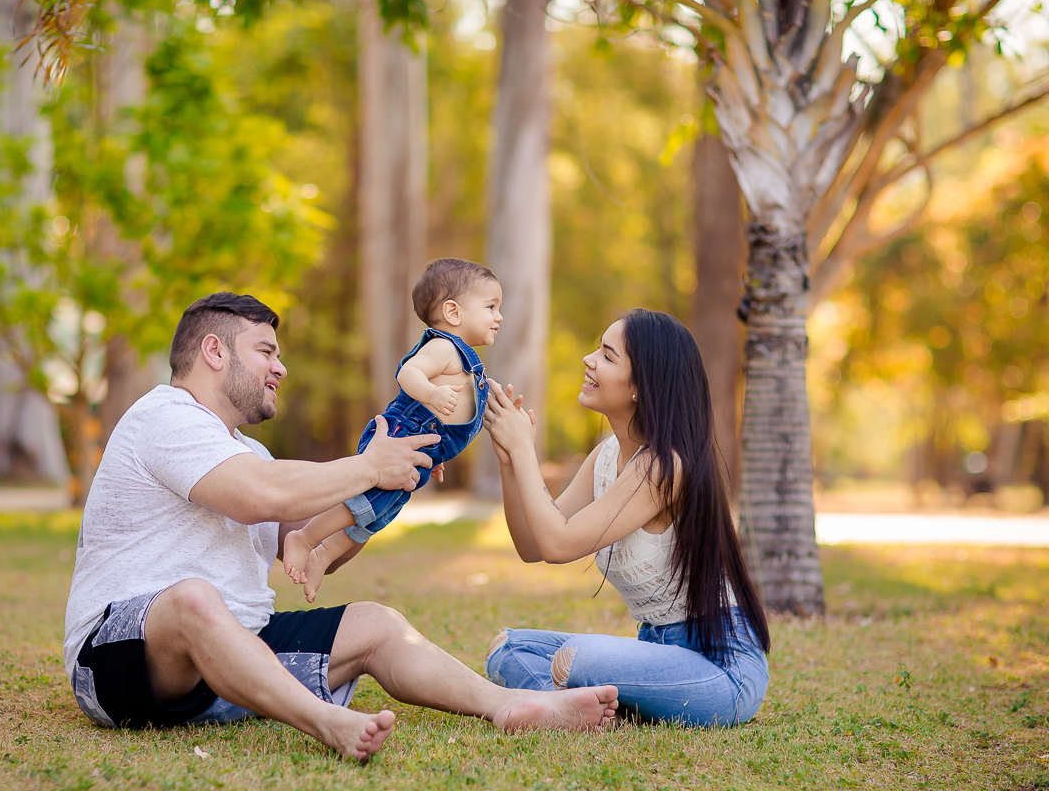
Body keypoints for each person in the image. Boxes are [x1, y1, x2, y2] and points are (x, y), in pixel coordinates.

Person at [62, 292, 618, 764]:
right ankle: (326, 723)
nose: (280, 368)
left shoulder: (247, 449)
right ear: (214, 350)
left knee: (377, 623)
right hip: (119, 663)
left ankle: (509, 705)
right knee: (192, 600)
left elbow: (315, 544)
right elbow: (260, 494)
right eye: (265, 352)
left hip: (231, 661)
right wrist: (368, 465)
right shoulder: (164, 416)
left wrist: (390, 484)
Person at [480, 309, 771, 728]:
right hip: (654, 650)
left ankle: (579, 705)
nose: (589, 360)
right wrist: (510, 461)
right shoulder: (605, 457)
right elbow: (532, 545)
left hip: (721, 670)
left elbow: (557, 544)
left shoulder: (663, 467)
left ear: (641, 387)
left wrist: (526, 449)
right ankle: (597, 715)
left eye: (607, 356)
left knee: (574, 662)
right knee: (506, 648)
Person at [284, 259, 501, 602]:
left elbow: (450, 419)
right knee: (366, 502)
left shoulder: (470, 365)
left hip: (421, 450)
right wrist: (431, 393)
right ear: (453, 312)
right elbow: (407, 374)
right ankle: (305, 538)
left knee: (375, 516)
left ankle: (323, 555)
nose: (498, 316)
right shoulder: (443, 348)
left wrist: (437, 454)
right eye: (491, 307)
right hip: (398, 435)